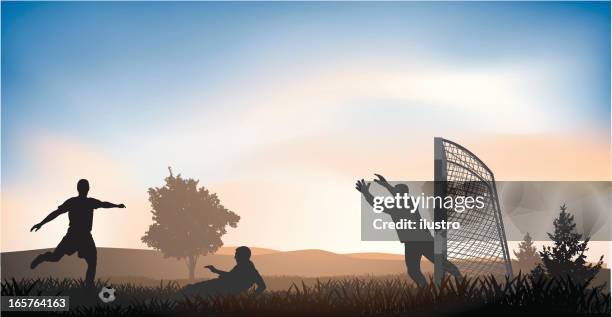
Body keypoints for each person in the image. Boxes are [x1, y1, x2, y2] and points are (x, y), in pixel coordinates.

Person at [356, 174, 461, 287]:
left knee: (418, 269)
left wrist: (366, 193)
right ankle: (435, 288)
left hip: (416, 241)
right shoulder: (409, 202)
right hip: (420, 240)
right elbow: (397, 195)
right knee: (423, 268)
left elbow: (376, 202)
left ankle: (434, 287)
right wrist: (386, 186)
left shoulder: (396, 206)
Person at [30, 179, 126, 287]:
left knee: (92, 260)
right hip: (73, 235)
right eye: (85, 187)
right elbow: (57, 213)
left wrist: (116, 205)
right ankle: (42, 258)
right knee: (56, 257)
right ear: (84, 189)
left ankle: (89, 286)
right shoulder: (73, 202)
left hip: (84, 236)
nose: (86, 189)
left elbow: (104, 204)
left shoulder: (89, 202)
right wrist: (41, 223)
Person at [181, 246, 266, 297]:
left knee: (193, 289)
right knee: (192, 288)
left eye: (237, 255)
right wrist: (215, 270)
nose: (235, 257)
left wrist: (251, 298)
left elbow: (262, 286)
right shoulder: (244, 267)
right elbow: (231, 276)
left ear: (243, 256)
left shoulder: (249, 270)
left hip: (221, 288)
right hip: (220, 285)